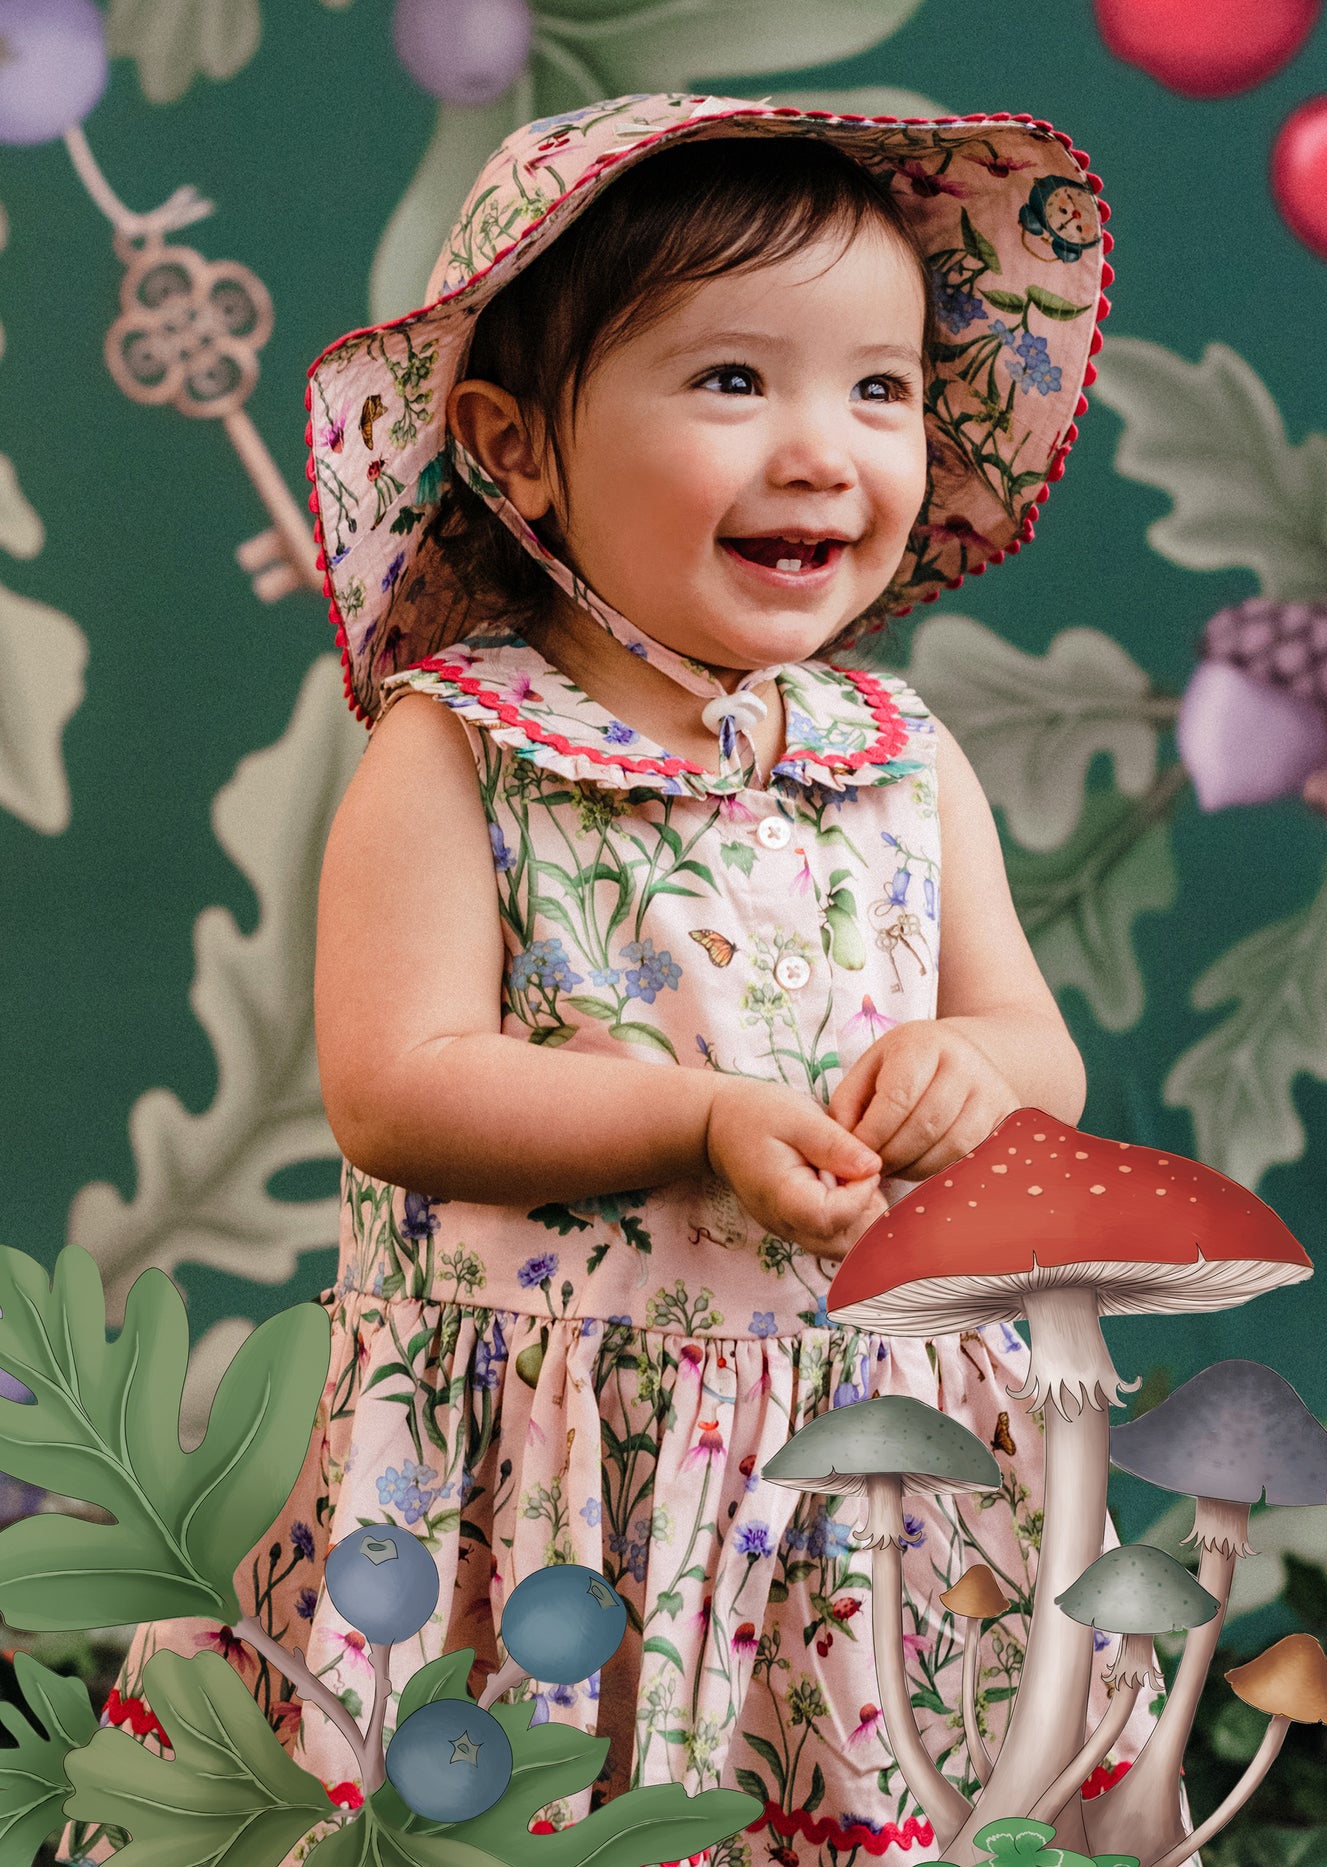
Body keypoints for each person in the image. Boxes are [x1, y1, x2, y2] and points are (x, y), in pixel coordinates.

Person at [59, 93, 1160, 1867]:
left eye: (878, 388)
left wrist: (976, 1073)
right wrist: (702, 1117)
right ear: (519, 444)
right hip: (531, 1463)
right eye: (734, 381)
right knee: (518, 1794)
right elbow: (398, 1083)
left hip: (852, 1449)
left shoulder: (901, 752)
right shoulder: (458, 747)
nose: (824, 450)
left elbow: (1038, 1044)